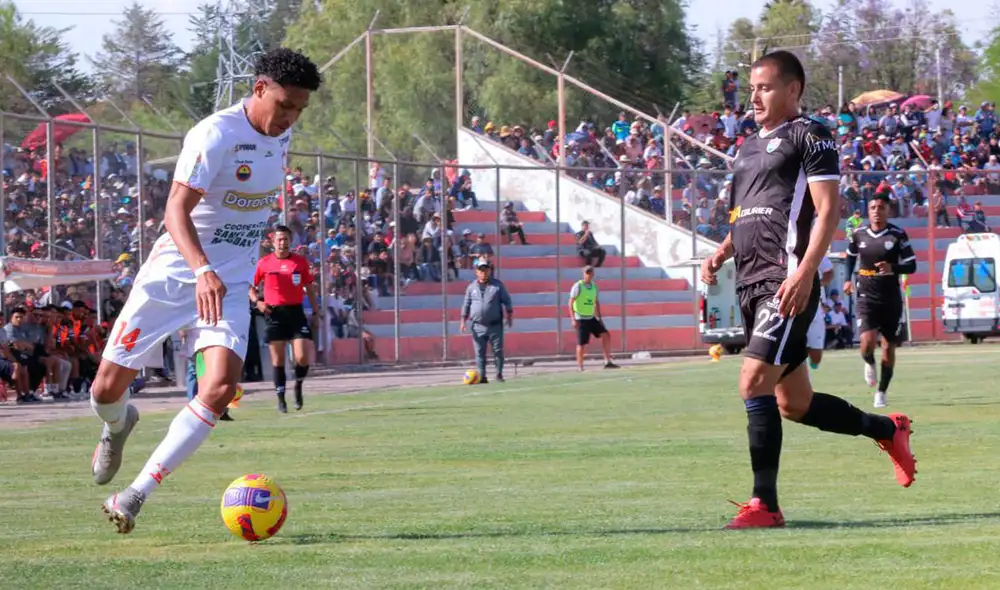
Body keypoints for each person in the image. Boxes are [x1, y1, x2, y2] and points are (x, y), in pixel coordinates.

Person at [89, 48, 321, 534]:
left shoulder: (282, 135)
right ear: (259, 89)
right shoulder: (215, 134)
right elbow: (175, 211)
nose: (290, 117)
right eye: (284, 105)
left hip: (231, 282)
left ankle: (134, 494)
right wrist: (201, 269)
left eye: (299, 109)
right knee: (105, 390)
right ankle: (117, 425)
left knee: (219, 388)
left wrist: (221, 272)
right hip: (177, 274)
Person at [700, 50, 915, 530]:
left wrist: (805, 272)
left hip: (786, 280)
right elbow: (755, 215)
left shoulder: (810, 136)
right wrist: (722, 251)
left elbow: (828, 210)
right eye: (752, 88)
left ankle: (766, 505)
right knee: (792, 404)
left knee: (752, 382)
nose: (754, 96)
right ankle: (888, 429)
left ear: (793, 90)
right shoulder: (747, 148)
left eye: (766, 87)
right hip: (751, 283)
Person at [843, 195, 917, 408]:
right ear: (868, 210)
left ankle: (881, 391)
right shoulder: (858, 235)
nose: (877, 210)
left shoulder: (897, 235)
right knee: (866, 342)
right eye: (873, 207)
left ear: (888, 210)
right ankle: (868, 362)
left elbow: (912, 265)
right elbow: (849, 257)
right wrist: (848, 279)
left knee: (888, 348)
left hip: (891, 297)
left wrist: (893, 268)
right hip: (866, 294)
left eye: (881, 207)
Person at [250, 225, 320, 413]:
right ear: (273, 242)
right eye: (279, 239)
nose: (283, 242)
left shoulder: (299, 262)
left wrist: (315, 312)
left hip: (296, 313)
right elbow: (250, 286)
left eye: (286, 239)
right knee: (278, 360)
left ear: (291, 241)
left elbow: (310, 287)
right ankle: (281, 399)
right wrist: (258, 302)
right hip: (274, 314)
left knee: (302, 357)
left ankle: (298, 385)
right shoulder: (264, 263)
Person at [459, 256, 513, 383]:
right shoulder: (471, 288)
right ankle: (482, 376)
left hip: (495, 325)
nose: (483, 273)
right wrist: (463, 321)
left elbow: (507, 301)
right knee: (479, 352)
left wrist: (509, 316)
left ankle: (499, 374)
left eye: (485, 270)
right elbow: (466, 304)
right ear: (476, 272)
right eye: (480, 270)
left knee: (498, 350)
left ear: (489, 271)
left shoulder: (497, 286)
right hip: (477, 325)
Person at [568, 266, 619, 371]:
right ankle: (580, 367)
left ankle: (607, 361)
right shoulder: (578, 286)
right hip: (581, 318)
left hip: (591, 317)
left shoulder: (594, 287)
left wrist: (599, 317)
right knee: (581, 343)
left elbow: (596, 302)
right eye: (587, 272)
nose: (589, 274)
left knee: (606, 335)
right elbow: (570, 302)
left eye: (590, 272)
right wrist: (573, 318)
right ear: (583, 274)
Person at [805, 255, 835, 369]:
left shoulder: (813, 250)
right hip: (792, 307)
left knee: (816, 357)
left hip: (814, 308)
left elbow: (829, 273)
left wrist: (816, 286)